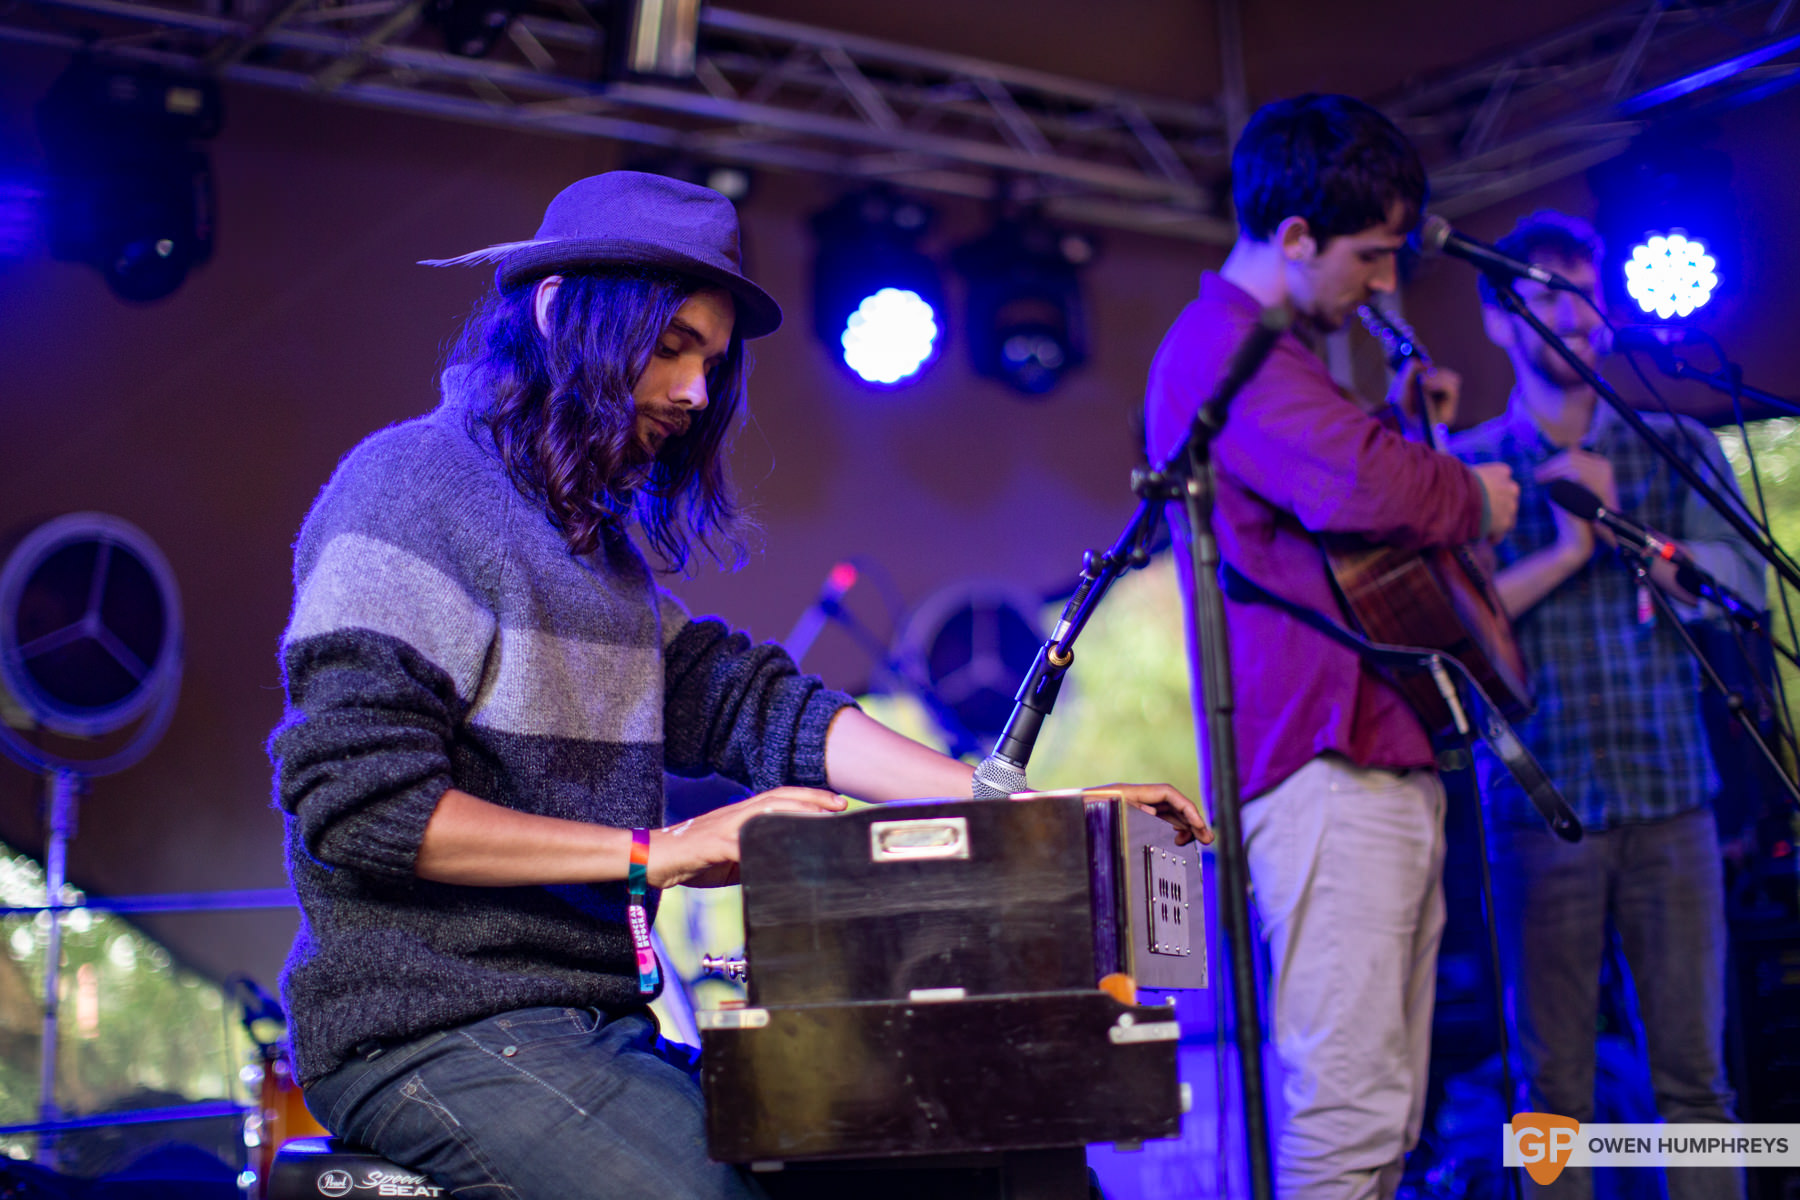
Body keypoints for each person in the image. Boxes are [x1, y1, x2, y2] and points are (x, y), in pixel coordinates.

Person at [269, 171, 1207, 1200]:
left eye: (710, 362)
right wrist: (660, 852)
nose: (695, 393)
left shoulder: (596, 555)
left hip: (596, 1031)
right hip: (429, 1036)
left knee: (967, 1170)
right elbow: (360, 807)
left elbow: (752, 703)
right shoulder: (406, 491)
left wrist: (1030, 811)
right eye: (671, 347)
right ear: (558, 313)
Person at [1143, 94, 1522, 1200]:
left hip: (1363, 753)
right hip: (1326, 759)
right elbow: (1353, 485)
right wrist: (1472, 493)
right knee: (1350, 1112)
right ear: (1297, 236)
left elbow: (1335, 518)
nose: (1387, 282)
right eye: (1373, 254)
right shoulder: (1225, 344)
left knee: (1380, 1113)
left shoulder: (1276, 355)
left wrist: (1398, 424)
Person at [1449, 210, 1761, 1200]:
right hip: (1540, 809)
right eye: (1547, 299)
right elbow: (1454, 628)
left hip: (1671, 793)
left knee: (1698, 1085)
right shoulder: (1467, 466)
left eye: (1584, 298)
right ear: (1499, 319)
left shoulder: (1673, 443)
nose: (1572, 320)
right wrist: (1568, 548)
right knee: (1551, 1098)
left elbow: (1743, 585)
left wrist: (1621, 529)